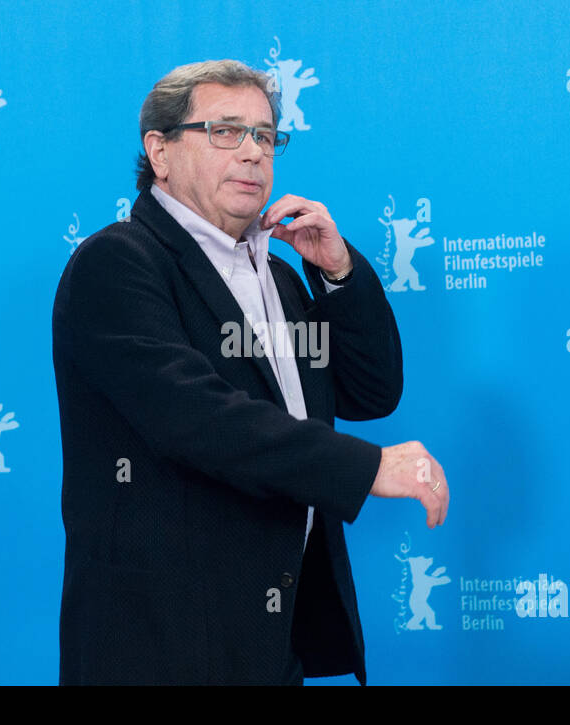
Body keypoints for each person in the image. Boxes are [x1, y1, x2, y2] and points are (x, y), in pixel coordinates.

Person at [51, 59, 449, 685]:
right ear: (160, 151)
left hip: (270, 638)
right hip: (164, 646)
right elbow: (197, 417)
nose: (253, 153)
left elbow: (371, 390)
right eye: (224, 132)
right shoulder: (118, 264)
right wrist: (368, 467)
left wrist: (338, 271)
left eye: (265, 136)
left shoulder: (284, 281)